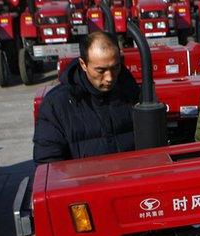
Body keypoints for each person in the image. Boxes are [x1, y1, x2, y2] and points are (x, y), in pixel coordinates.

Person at [33, 31, 140, 164]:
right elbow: (48, 164)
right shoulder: (57, 105)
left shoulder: (133, 93)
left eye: (115, 68)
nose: (109, 78)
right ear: (83, 64)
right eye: (101, 71)